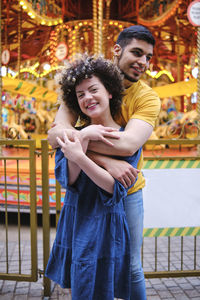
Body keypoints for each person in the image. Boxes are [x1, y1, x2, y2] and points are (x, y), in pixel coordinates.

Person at [48, 25, 161, 299]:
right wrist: (96, 152)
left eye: (148, 57)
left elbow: (127, 145)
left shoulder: (146, 97)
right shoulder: (87, 84)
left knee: (131, 266)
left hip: (126, 190)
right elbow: (55, 134)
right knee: (84, 260)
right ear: (117, 50)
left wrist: (79, 146)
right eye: (137, 52)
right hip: (87, 192)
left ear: (109, 93)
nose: (143, 62)